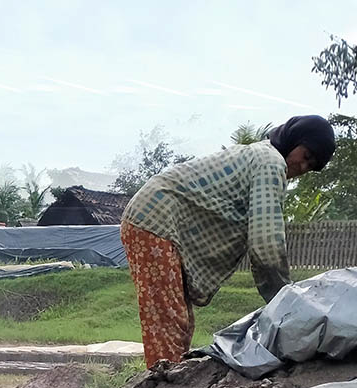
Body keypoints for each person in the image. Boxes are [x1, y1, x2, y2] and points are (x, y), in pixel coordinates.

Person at [120, 116, 336, 368]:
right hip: (154, 219)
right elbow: (266, 246)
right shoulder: (270, 163)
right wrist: (286, 303)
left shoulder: (261, 157)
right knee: (168, 323)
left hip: (156, 221)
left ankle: (170, 387)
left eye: (312, 165)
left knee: (181, 322)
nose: (303, 166)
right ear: (294, 140)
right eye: (306, 154)